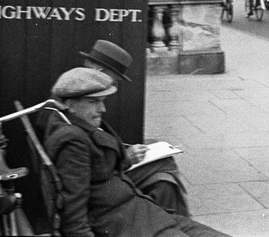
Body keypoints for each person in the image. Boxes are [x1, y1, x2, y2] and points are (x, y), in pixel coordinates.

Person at [43, 68, 230, 237]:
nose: (102, 109)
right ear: (70, 104)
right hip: (126, 225)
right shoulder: (72, 142)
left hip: (140, 215)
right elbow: (74, 218)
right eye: (94, 102)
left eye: (102, 101)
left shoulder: (74, 124)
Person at [79, 40, 189, 217]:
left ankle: (174, 223)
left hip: (106, 171)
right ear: (100, 72)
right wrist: (126, 158)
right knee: (166, 168)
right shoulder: (81, 97)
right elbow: (90, 161)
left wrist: (122, 151)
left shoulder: (80, 90)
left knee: (165, 180)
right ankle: (180, 223)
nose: (113, 86)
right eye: (113, 80)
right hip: (105, 183)